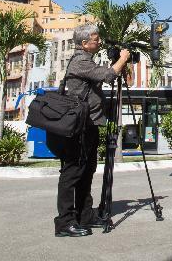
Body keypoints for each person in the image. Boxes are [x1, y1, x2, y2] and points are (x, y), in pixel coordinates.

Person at [46, 23, 131, 237]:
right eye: (95, 38)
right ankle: (64, 223)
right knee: (72, 173)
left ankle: (85, 215)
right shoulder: (80, 61)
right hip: (78, 127)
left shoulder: (87, 61)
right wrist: (122, 58)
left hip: (90, 124)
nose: (99, 41)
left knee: (86, 171)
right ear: (84, 43)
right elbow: (108, 75)